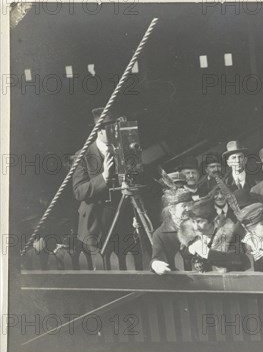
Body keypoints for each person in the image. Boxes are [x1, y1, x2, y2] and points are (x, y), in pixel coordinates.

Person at [72, 107, 140, 270]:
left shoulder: (125, 150)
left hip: (122, 222)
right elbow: (79, 192)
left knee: (125, 266)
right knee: (100, 270)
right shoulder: (82, 156)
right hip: (96, 225)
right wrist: (104, 177)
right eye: (113, 128)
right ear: (100, 130)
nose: (118, 132)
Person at [178, 195, 248, 272]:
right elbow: (183, 256)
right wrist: (190, 250)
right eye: (193, 222)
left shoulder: (230, 234)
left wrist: (208, 254)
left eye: (199, 221)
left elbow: (240, 260)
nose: (196, 227)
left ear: (212, 219)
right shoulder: (192, 237)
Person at [150, 188, 194, 274]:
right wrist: (155, 264)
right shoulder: (160, 234)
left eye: (190, 205)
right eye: (184, 206)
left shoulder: (199, 227)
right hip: (175, 282)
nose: (188, 209)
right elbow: (157, 257)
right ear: (172, 210)